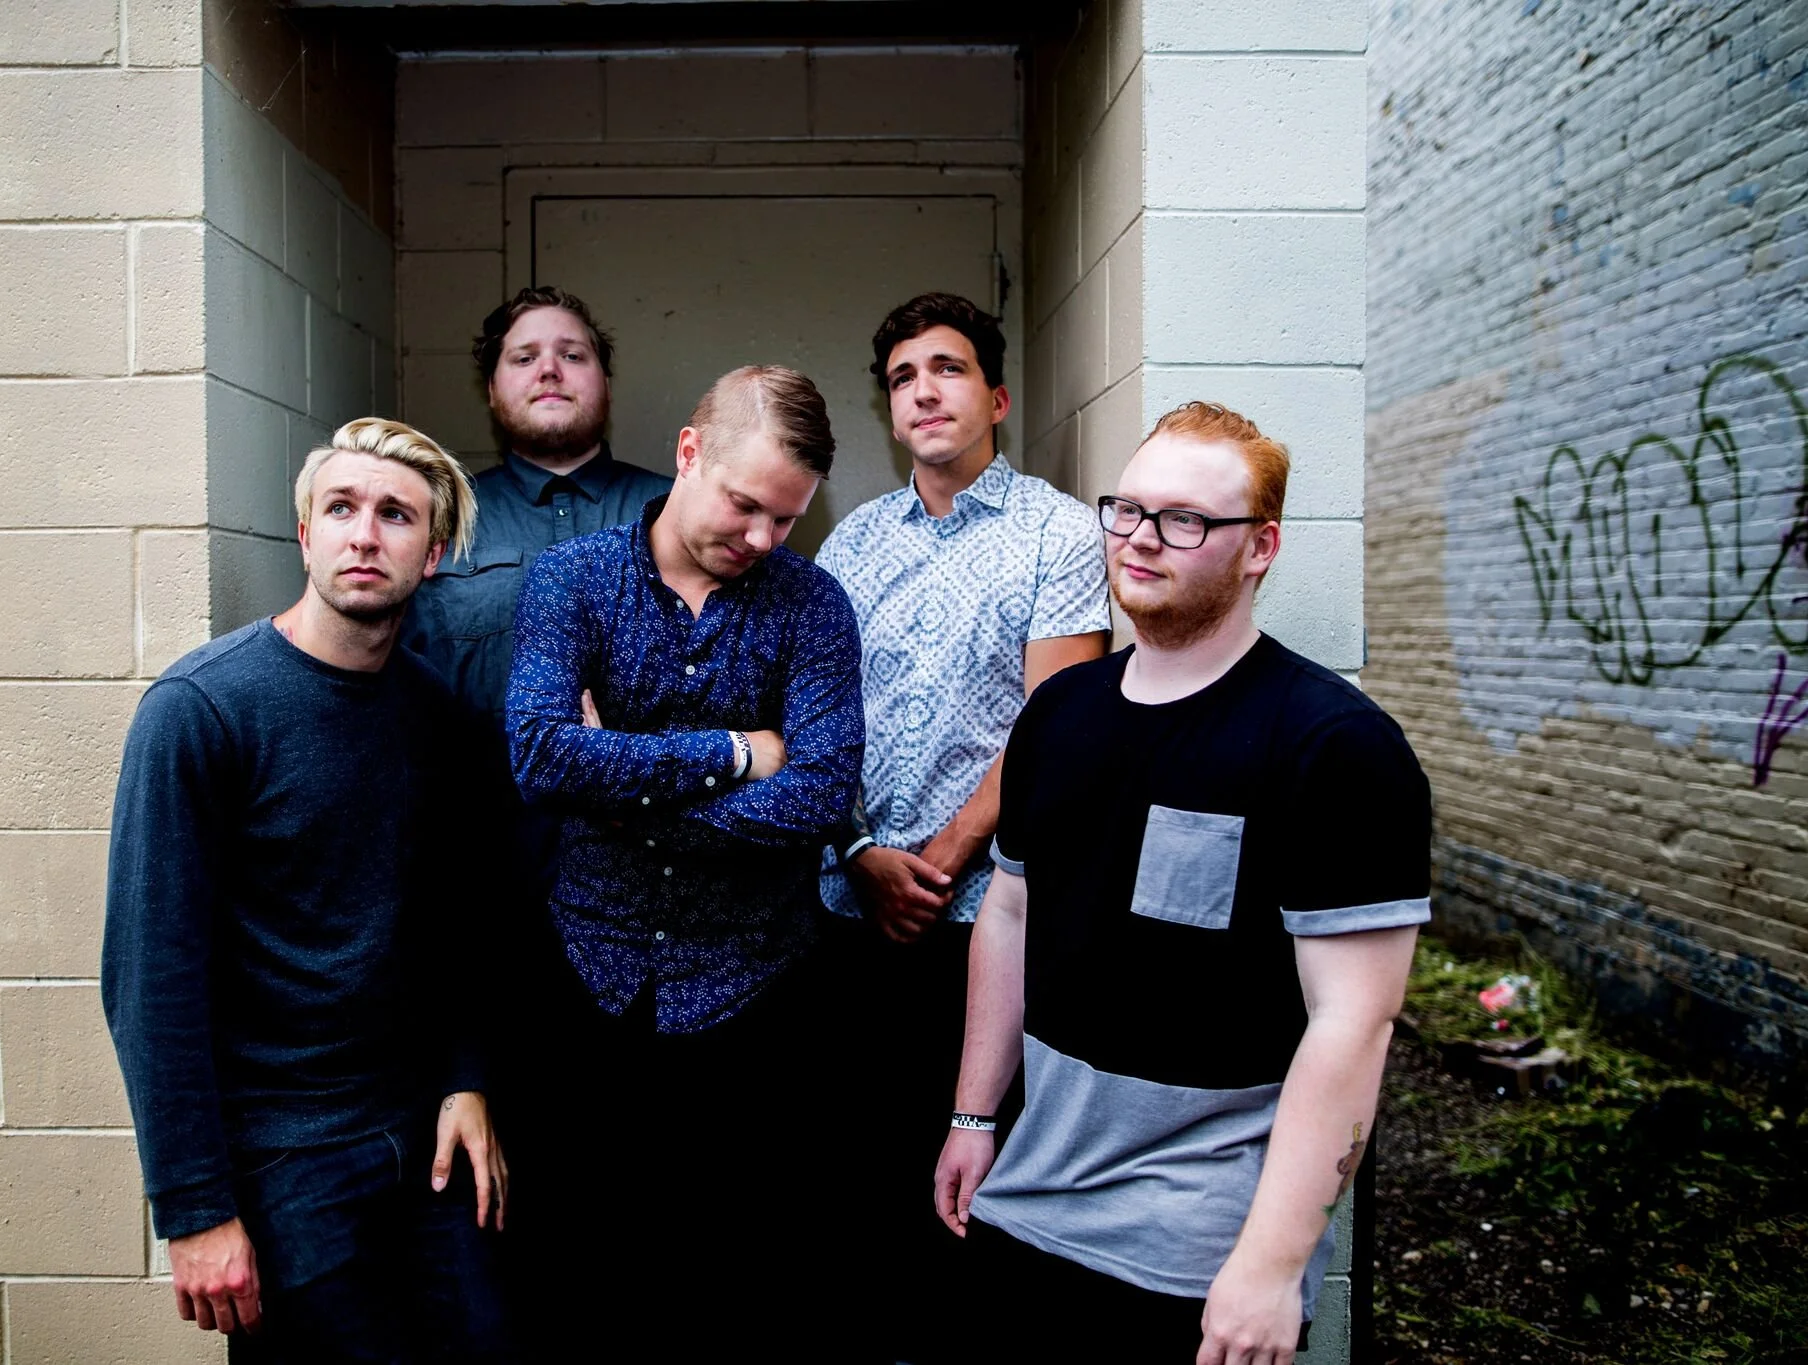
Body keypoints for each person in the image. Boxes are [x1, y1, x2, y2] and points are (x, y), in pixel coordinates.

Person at [933, 402, 1431, 1364]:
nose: (1143, 540)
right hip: (1027, 1198)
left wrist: (1272, 1263)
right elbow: (1009, 910)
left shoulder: (1335, 748)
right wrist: (972, 1112)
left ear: (1262, 548)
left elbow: (1352, 1021)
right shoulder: (1060, 714)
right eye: (1127, 509)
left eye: (1187, 519)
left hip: (1192, 1248)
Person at [103, 419, 519, 1363]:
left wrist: (464, 1074)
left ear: (436, 551)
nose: (365, 534)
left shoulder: (437, 717)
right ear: (305, 534)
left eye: (396, 515)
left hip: (426, 1144)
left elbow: (454, 923)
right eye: (342, 508)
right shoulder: (201, 710)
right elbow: (148, 980)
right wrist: (196, 1209)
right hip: (286, 1158)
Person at [504, 365, 864, 1361]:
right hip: (587, 989)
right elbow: (536, 752)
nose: (758, 538)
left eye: (783, 520)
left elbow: (819, 796)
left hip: (756, 997)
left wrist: (616, 792)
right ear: (687, 451)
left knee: (741, 1292)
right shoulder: (569, 581)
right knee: (582, 1283)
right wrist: (734, 753)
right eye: (744, 505)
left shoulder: (811, 606)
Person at [815, 292, 1110, 1360]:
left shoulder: (1059, 532)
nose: (923, 390)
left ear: (994, 397)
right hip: (853, 914)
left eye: (945, 369)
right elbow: (819, 723)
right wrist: (860, 857)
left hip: (983, 918)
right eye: (901, 377)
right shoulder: (850, 543)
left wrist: (931, 866)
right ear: (889, 412)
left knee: (973, 1180)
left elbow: (1054, 721)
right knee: (865, 1182)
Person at [401, 285, 671, 720]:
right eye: (525, 358)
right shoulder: (440, 514)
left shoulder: (674, 509)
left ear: (606, 383)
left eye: (572, 355)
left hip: (661, 786)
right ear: (490, 389)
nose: (549, 370)